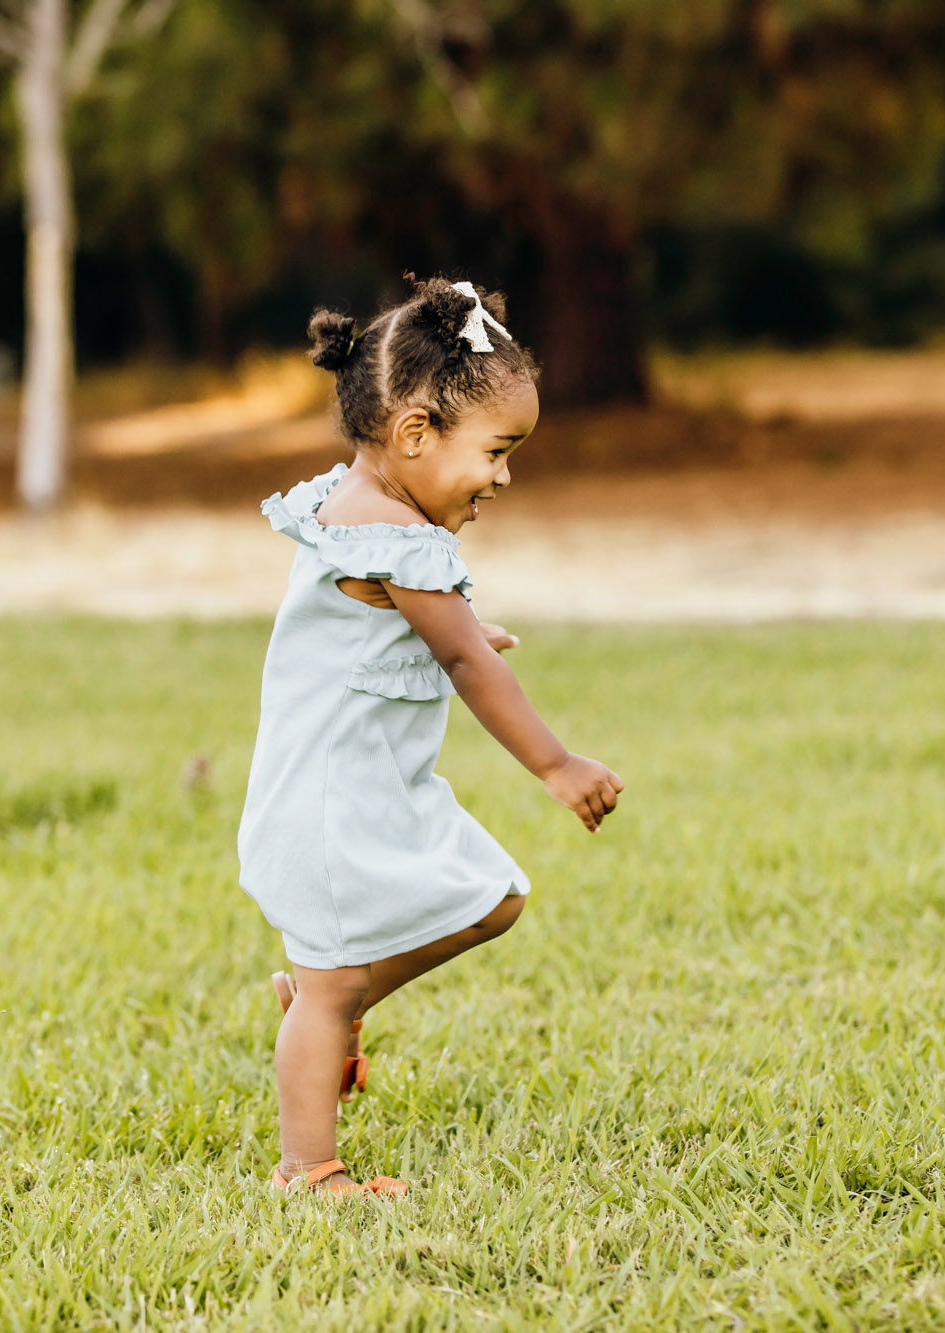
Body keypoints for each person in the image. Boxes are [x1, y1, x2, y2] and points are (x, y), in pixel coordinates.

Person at [237, 274, 626, 1198]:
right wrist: (556, 762)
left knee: (492, 898)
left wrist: (449, 632)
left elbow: (395, 629)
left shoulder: (373, 509)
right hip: (330, 802)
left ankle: (331, 1000)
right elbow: (466, 665)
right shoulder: (393, 534)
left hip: (370, 786)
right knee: (335, 984)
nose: (502, 476)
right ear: (414, 433)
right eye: (496, 451)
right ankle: (310, 1168)